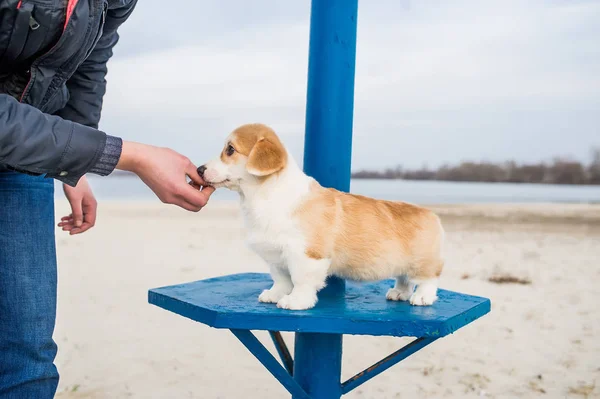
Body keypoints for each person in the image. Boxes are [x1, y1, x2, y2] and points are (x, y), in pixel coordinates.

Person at [0, 1, 214, 397]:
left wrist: (71, 164)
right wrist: (121, 155)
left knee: (27, 360)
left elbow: (89, 61)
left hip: (21, 160)